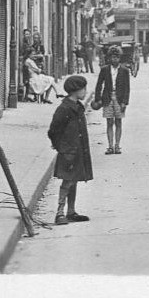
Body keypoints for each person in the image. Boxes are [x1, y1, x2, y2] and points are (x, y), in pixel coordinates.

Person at [46, 75, 93, 225]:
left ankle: (71, 211)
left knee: (74, 181)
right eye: (83, 89)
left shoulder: (78, 106)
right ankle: (59, 213)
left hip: (78, 150)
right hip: (69, 151)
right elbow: (53, 130)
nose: (85, 91)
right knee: (67, 182)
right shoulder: (64, 108)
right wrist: (61, 147)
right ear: (74, 90)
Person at [93, 45, 131, 154]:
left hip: (119, 99)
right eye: (112, 57)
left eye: (117, 57)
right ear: (109, 58)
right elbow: (99, 85)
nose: (115, 59)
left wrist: (125, 102)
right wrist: (98, 99)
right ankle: (110, 146)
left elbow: (127, 88)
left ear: (120, 58)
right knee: (109, 121)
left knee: (118, 122)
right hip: (107, 98)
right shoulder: (105, 69)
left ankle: (117, 145)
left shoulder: (124, 70)